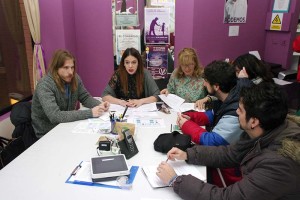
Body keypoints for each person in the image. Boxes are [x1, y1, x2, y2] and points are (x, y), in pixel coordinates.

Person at [157, 82, 300, 199]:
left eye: (241, 110)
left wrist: (176, 181)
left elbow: (227, 197)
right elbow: (229, 153)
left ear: (254, 121)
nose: (236, 112)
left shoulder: (278, 165)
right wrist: (188, 154)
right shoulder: (265, 130)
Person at [176, 60, 252, 187]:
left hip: (228, 175)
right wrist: (190, 116)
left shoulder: (236, 111)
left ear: (216, 86)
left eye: (206, 81)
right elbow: (213, 115)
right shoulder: (231, 96)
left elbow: (211, 141)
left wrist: (186, 125)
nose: (204, 84)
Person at [31, 49, 109, 138]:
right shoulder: (45, 85)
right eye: (66, 68)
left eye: (72, 67)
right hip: (47, 132)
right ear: (56, 68)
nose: (71, 72)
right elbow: (55, 116)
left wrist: (100, 105)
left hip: (65, 125)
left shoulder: (74, 78)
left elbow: (85, 97)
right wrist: (90, 113)